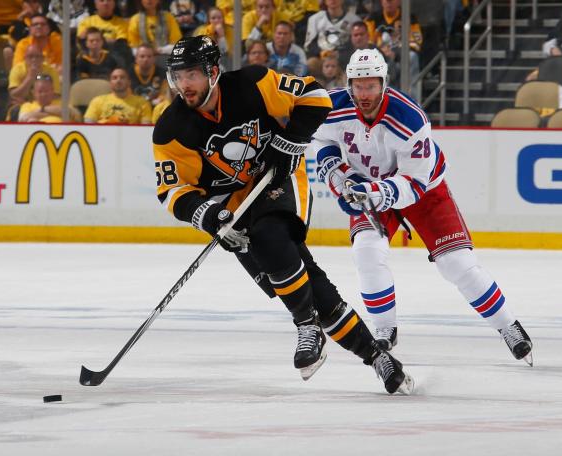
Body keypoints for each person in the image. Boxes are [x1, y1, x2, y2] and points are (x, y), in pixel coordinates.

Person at [152, 35, 414, 394]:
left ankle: (306, 326)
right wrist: (210, 218)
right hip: (231, 204)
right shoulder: (170, 128)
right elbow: (173, 190)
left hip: (278, 178)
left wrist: (290, 142)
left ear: (213, 72)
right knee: (308, 280)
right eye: (178, 76)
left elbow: (314, 97)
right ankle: (379, 358)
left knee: (270, 237)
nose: (184, 85)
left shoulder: (253, 83)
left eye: (192, 75)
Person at [313, 49, 534, 365]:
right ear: (349, 84)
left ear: (384, 84)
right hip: (368, 187)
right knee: (366, 250)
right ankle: (384, 329)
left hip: (423, 190)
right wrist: (339, 175)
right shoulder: (334, 107)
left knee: (456, 264)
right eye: (359, 85)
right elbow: (319, 140)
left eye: (371, 85)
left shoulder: (410, 119)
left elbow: (414, 185)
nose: (365, 94)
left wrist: (373, 193)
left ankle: (508, 325)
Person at [303, 0, 360, 76]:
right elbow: (309, 45)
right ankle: (315, 85)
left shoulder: (354, 20)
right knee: (311, 63)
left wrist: (339, 54)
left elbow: (356, 44)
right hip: (321, 59)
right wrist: (321, 52)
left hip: (344, 60)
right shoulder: (314, 19)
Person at [84, 67, 152, 124]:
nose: (118, 80)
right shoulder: (97, 101)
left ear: (129, 82)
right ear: (110, 82)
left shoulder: (142, 103)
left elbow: (146, 126)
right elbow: (88, 123)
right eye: (114, 78)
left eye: (122, 77)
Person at [127, 0, 181, 69]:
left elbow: (176, 45)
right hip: (143, 59)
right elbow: (133, 49)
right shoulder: (135, 19)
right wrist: (147, 53)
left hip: (164, 57)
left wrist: (159, 50)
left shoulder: (169, 17)